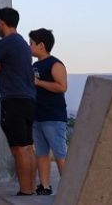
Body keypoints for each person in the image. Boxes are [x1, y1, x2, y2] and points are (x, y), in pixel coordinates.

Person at [0, 7, 37, 196]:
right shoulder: (22, 43)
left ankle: (26, 190)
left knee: (19, 148)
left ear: (1, 23)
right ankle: (30, 187)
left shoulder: (6, 42)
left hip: (13, 100)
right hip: (29, 100)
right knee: (28, 147)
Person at [29, 28, 68, 196]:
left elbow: (62, 87)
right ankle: (44, 186)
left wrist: (39, 83)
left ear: (41, 45)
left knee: (60, 153)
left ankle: (68, 186)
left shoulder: (55, 64)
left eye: (31, 43)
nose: (29, 46)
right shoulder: (34, 65)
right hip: (37, 116)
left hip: (53, 116)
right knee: (42, 153)